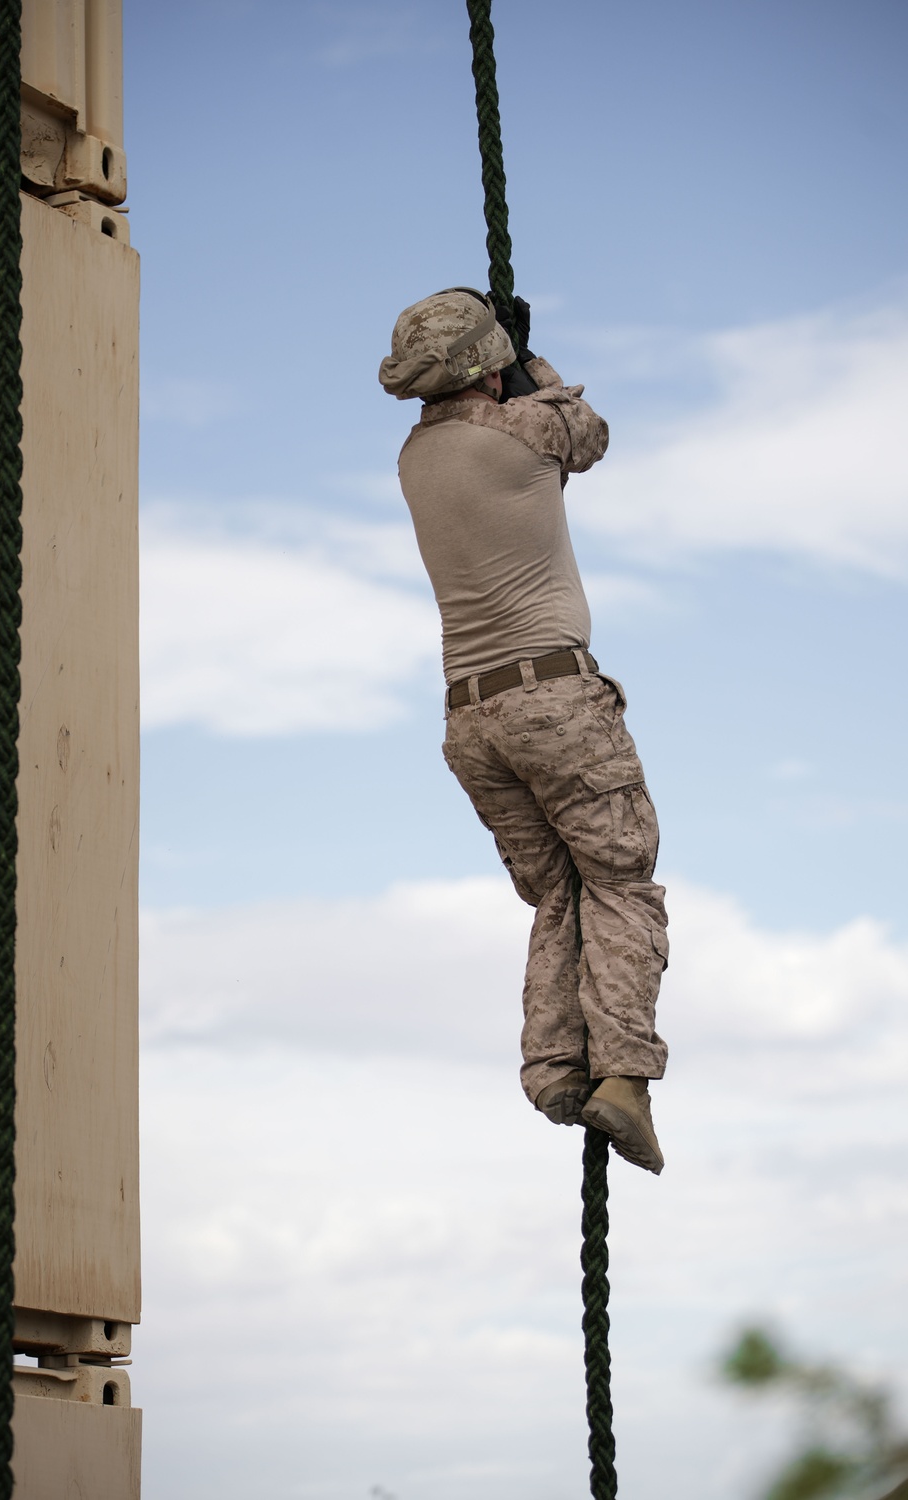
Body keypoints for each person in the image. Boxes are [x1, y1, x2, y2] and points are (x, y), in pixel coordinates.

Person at [378, 287, 669, 1174]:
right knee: (620, 880)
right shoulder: (524, 431)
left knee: (559, 893)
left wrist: (506, 365)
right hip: (553, 700)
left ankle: (553, 1067)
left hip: (470, 717)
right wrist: (533, 362)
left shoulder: (413, 457)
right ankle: (623, 1077)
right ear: (492, 362)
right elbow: (590, 434)